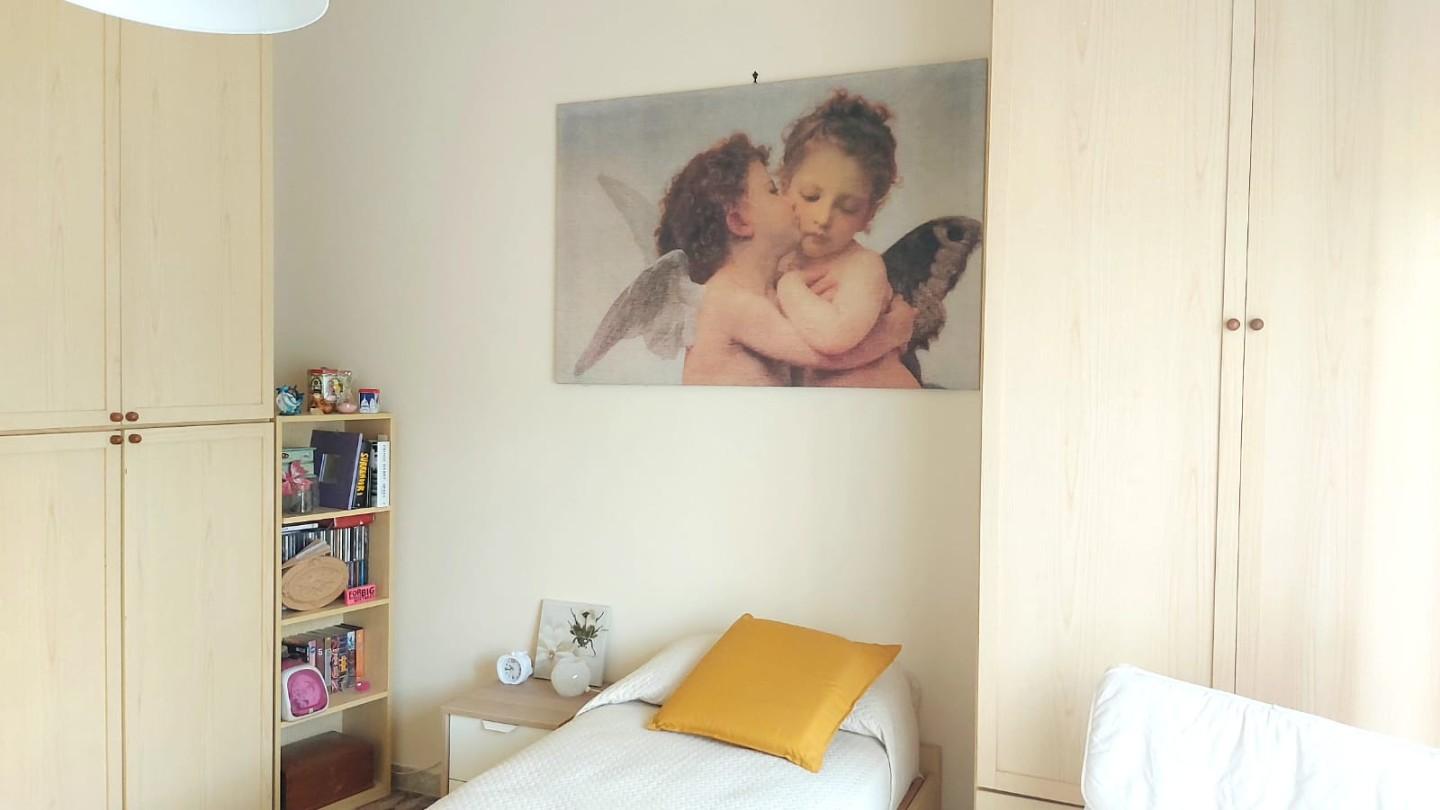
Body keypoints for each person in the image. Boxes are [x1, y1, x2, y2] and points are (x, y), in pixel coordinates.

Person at [653, 133, 912, 387]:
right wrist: (891, 332)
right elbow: (826, 358)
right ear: (740, 222)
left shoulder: (763, 290)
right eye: (772, 190)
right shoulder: (729, 298)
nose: (789, 200)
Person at [774, 91, 919, 388]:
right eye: (811, 196)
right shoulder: (776, 259)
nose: (824, 217)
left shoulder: (862, 267)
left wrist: (788, 286)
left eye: (848, 207)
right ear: (785, 184)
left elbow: (833, 339)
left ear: (868, 214)